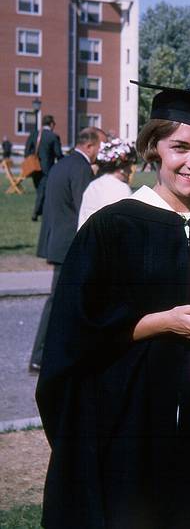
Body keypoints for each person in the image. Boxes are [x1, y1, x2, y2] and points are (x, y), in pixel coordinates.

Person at [35, 83, 190, 529]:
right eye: (180, 147)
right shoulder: (112, 227)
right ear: (153, 147)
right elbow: (73, 334)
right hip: (131, 425)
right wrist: (159, 323)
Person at [28, 126, 106, 372]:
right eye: (101, 147)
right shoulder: (81, 168)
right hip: (70, 243)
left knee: (62, 300)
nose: (101, 153)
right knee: (63, 301)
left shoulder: (62, 164)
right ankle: (42, 354)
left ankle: (46, 353)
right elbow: (87, 208)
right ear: (90, 145)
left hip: (57, 240)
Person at [77, 137, 137, 228]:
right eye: (129, 167)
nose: (131, 171)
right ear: (121, 169)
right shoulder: (122, 189)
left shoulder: (93, 185)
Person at [25, 115, 64, 221]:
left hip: (33, 167)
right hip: (46, 168)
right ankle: (36, 213)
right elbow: (58, 154)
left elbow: (27, 151)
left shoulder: (34, 134)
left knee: (39, 190)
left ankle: (41, 211)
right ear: (51, 124)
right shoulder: (53, 136)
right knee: (42, 191)